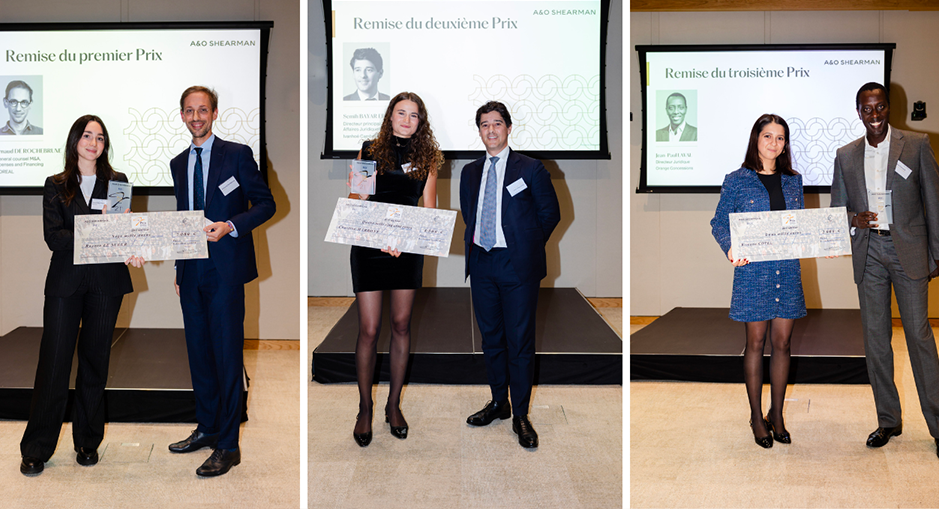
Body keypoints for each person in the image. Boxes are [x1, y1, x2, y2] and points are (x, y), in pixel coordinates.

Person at [19, 115, 143, 476]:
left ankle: (88, 442)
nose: (93, 142)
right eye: (87, 135)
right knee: (54, 363)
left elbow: (121, 234)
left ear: (105, 145)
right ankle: (36, 447)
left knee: (94, 362)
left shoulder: (117, 182)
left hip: (107, 282)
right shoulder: (55, 184)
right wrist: (99, 226)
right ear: (75, 140)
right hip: (65, 284)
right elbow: (54, 239)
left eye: (100, 137)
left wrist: (131, 244)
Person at [167, 86, 275, 476]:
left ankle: (228, 444)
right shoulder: (178, 163)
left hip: (226, 271)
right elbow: (182, 217)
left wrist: (231, 225)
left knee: (227, 356)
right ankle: (208, 427)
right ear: (182, 115)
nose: (196, 117)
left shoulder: (238, 155)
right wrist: (179, 270)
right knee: (199, 353)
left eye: (203, 110)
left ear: (214, 114)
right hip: (191, 271)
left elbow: (266, 204)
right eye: (189, 111)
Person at [830, 82, 939, 457]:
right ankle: (888, 419)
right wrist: (853, 219)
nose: (874, 115)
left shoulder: (917, 144)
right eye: (866, 109)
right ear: (857, 111)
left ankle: (938, 426)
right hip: (869, 251)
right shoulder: (845, 155)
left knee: (919, 337)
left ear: (888, 108)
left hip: (908, 249)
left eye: (879, 108)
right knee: (875, 341)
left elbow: (934, 201)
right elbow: (836, 211)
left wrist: (937, 254)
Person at [460, 101, 560, 449]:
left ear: (508, 128)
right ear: (479, 131)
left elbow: (550, 214)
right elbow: (468, 215)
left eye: (497, 123)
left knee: (519, 342)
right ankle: (498, 403)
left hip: (518, 266)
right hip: (482, 264)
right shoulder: (470, 171)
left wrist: (524, 247)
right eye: (484, 124)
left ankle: (520, 413)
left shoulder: (531, 168)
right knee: (491, 340)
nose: (491, 130)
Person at [349, 91, 442, 447]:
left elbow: (430, 211)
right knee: (369, 329)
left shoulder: (429, 158)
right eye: (400, 113)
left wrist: (407, 239)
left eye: (413, 115)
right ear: (390, 117)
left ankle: (392, 405)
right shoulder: (369, 149)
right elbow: (357, 202)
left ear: (421, 122)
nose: (406, 119)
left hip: (407, 248)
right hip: (370, 246)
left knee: (401, 325)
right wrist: (377, 229)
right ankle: (364, 409)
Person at [710, 113, 805, 449]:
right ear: (756, 139)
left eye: (780, 138)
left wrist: (821, 242)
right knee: (755, 344)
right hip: (753, 273)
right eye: (768, 136)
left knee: (782, 344)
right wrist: (730, 248)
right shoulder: (736, 180)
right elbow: (719, 223)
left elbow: (800, 227)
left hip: (788, 272)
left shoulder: (794, 180)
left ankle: (776, 415)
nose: (773, 143)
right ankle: (755, 416)